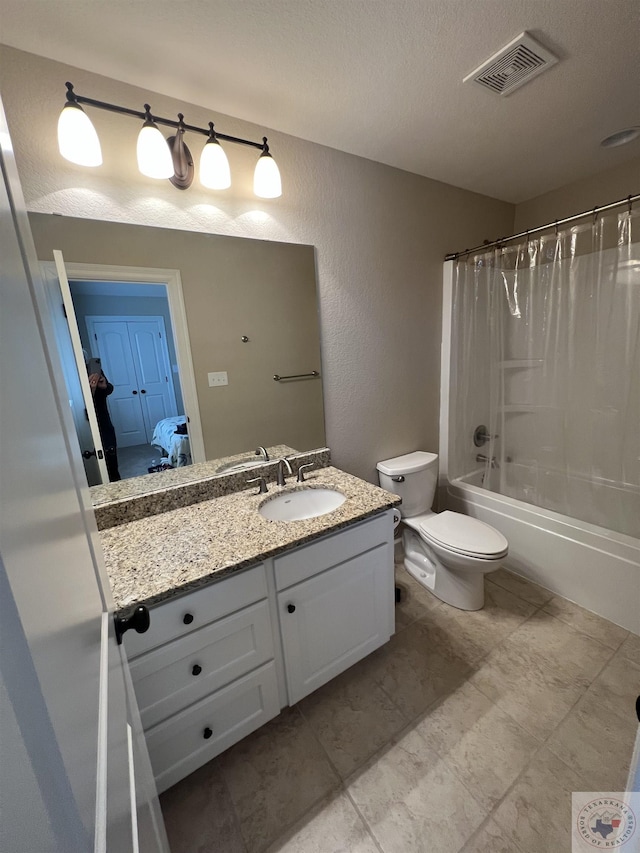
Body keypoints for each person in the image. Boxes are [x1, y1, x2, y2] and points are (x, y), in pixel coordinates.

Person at [88, 368, 121, 481]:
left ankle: (117, 484)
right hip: (87, 424)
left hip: (104, 422)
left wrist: (104, 386)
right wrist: (91, 390)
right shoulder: (73, 375)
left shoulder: (95, 369)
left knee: (111, 458)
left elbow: (109, 388)